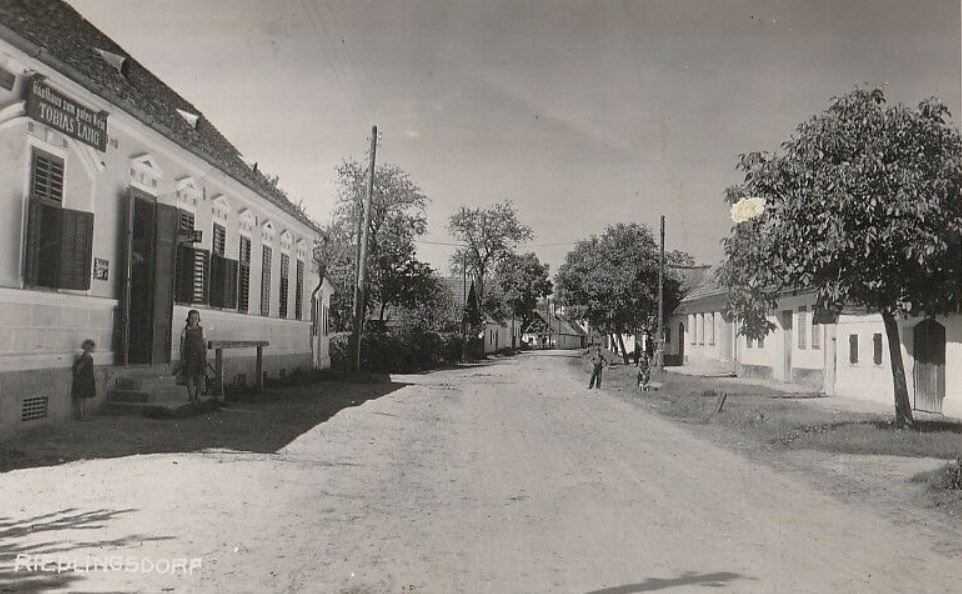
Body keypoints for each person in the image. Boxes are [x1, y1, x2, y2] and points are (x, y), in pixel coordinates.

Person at [179, 309, 207, 404]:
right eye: (192, 318)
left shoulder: (201, 330)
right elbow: (182, 345)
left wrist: (205, 355)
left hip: (200, 355)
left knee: (201, 375)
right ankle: (191, 396)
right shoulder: (185, 330)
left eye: (196, 318)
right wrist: (182, 358)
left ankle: (198, 395)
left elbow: (204, 344)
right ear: (188, 319)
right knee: (189, 375)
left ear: (198, 319)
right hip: (189, 356)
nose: (194, 320)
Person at [72, 339, 96, 420]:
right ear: (89, 347)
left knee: (84, 397)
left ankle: (84, 414)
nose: (94, 349)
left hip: (87, 379)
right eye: (93, 347)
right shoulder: (85, 357)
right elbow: (79, 368)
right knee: (81, 398)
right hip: (83, 379)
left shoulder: (89, 357)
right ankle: (81, 415)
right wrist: (79, 378)